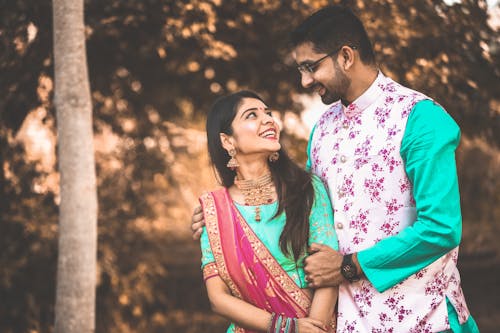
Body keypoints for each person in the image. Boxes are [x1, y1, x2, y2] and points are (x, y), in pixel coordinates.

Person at [193, 6, 479, 333]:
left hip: (422, 319)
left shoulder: (420, 119)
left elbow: (440, 227)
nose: (304, 81)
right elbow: (300, 204)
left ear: (345, 57)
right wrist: (219, 215)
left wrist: (347, 267)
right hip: (345, 322)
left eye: (311, 67)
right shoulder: (323, 129)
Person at [198, 90, 339, 333]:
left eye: (268, 113)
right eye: (252, 115)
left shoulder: (306, 188)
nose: (268, 120)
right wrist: (288, 328)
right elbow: (218, 298)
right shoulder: (214, 211)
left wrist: (312, 329)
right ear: (227, 141)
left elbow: (329, 271)